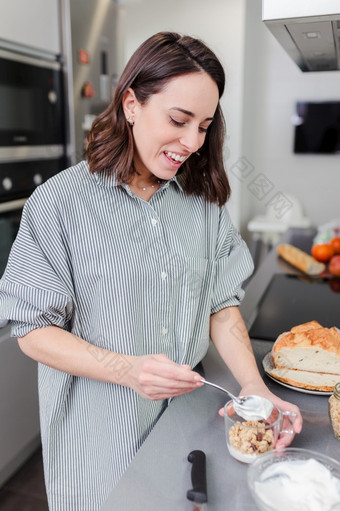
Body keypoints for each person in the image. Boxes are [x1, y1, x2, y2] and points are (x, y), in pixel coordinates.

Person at [0, 32, 302, 511]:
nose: (191, 143)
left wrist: (252, 386)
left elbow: (220, 304)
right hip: (99, 439)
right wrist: (128, 370)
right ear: (131, 104)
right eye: (178, 120)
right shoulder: (59, 203)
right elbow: (33, 332)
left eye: (204, 126)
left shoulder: (202, 206)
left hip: (187, 421)